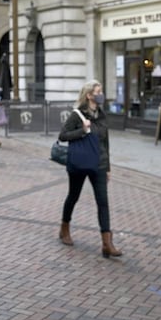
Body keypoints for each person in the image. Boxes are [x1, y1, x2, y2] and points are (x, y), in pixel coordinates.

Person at [57, 79, 122, 258]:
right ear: (89, 95)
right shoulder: (77, 115)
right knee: (73, 196)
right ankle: (64, 228)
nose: (101, 95)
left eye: (101, 91)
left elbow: (105, 142)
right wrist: (83, 131)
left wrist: (108, 167)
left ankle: (107, 243)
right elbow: (63, 136)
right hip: (80, 163)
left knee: (103, 202)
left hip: (99, 164)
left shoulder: (101, 114)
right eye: (98, 91)